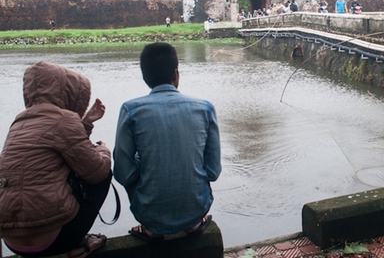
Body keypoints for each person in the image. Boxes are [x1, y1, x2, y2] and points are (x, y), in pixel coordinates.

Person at [0, 62, 112, 258]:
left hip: (12, 242)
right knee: (103, 171)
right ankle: (78, 244)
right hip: (54, 241)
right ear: (68, 92)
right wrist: (103, 150)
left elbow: (57, 144)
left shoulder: (19, 122)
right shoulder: (65, 119)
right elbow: (96, 171)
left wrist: (85, 123)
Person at [114, 42, 221, 242]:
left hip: (147, 212)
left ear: (145, 77)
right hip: (198, 207)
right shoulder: (205, 108)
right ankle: (194, 223)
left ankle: (153, 229)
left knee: (138, 160)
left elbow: (123, 173)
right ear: (176, 74)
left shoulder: (131, 110)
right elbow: (213, 171)